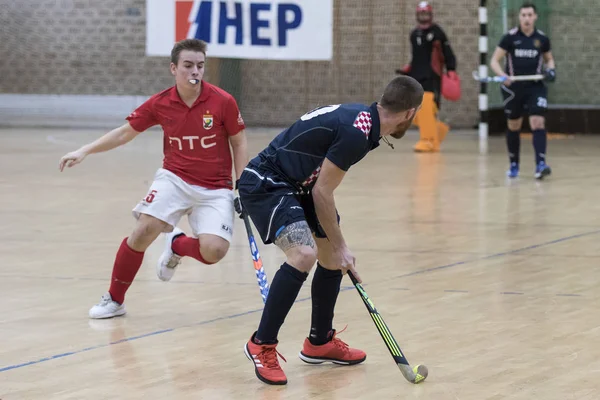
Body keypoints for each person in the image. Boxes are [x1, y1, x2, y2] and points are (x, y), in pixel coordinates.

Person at [237, 76, 424, 385]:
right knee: (304, 253)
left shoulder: (365, 122)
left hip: (300, 186)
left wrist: (338, 249)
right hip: (267, 182)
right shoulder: (357, 132)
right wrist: (341, 246)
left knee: (331, 257)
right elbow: (323, 192)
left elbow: (319, 189)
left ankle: (319, 342)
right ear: (410, 113)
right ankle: (261, 344)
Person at [58, 39, 248, 319]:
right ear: (173, 68)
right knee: (145, 230)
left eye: (200, 66)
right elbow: (125, 133)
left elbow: (239, 141)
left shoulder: (223, 101)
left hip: (215, 187)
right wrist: (84, 150)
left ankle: (177, 244)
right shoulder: (161, 103)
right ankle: (114, 299)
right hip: (175, 178)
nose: (194, 71)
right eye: (187, 66)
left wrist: (241, 186)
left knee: (214, 251)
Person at [490, 2, 556, 179]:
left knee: (537, 122)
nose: (527, 19)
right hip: (513, 89)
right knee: (514, 125)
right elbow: (494, 61)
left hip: (535, 86)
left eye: (530, 15)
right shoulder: (510, 38)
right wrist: (503, 76)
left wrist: (550, 70)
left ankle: (540, 165)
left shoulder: (542, 39)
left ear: (535, 17)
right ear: (519, 17)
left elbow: (549, 59)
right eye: (523, 15)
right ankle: (514, 164)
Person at [397, 1, 458, 153]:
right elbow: (416, 57)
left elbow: (448, 53)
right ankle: (438, 131)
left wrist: (451, 70)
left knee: (426, 109)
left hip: (432, 77)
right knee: (415, 112)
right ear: (417, 15)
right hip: (416, 77)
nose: (424, 17)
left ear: (430, 15)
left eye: (426, 13)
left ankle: (428, 141)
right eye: (421, 14)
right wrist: (408, 69)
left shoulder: (438, 32)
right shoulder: (414, 34)